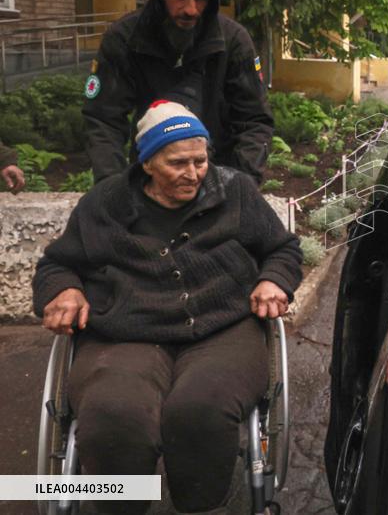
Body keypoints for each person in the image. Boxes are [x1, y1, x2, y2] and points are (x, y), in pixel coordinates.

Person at [33, 101, 302, 514]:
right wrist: (65, 290)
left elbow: (282, 249)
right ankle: (127, 504)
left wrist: (273, 279)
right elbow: (58, 263)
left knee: (200, 409)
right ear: (148, 163)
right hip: (126, 334)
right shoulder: (105, 204)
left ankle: (198, 505)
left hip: (223, 330)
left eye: (200, 160)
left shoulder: (234, 191)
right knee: (114, 413)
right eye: (178, 163)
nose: (193, 173)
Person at [82, 0, 273, 184]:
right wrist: (112, 188)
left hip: (220, 174)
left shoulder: (233, 41)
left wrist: (241, 185)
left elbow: (254, 120)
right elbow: (102, 118)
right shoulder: (125, 38)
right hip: (149, 174)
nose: (190, 9)